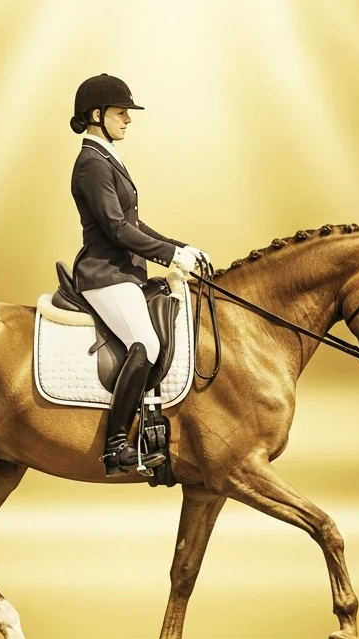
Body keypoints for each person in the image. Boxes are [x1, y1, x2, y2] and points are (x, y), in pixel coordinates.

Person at [68, 73, 210, 476]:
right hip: (104, 274)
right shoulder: (91, 165)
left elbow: (135, 222)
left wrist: (180, 249)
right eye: (120, 112)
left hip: (123, 272)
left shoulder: (107, 158)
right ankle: (115, 447)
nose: (128, 119)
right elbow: (116, 229)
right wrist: (169, 255)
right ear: (96, 115)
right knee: (144, 343)